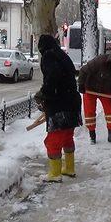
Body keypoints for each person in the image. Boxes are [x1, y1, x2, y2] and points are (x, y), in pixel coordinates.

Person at [34, 35, 82, 183]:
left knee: (53, 140)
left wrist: (44, 94)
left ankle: (54, 174)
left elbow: (52, 77)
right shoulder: (62, 55)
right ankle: (69, 168)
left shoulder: (49, 56)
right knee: (67, 137)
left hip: (60, 104)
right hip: (72, 103)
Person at [78, 51, 111, 145]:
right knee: (90, 112)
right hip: (90, 88)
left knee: (110, 111)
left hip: (105, 89)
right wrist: (81, 84)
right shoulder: (100, 61)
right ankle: (92, 135)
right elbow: (83, 70)